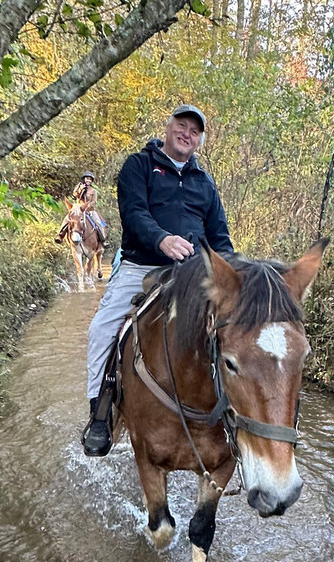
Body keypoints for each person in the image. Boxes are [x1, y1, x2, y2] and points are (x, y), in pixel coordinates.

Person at [81, 104, 234, 457]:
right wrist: (161, 239)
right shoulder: (138, 166)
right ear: (168, 128)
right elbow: (134, 214)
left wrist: (231, 270)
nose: (187, 134)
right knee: (102, 329)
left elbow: (219, 237)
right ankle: (100, 415)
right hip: (142, 266)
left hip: (195, 270)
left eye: (194, 131)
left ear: (200, 140)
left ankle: (232, 415)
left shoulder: (205, 183)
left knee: (235, 328)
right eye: (181, 126)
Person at [68, 171, 107, 243]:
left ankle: (103, 240)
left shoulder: (93, 190)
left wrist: (87, 207)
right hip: (78, 210)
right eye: (87, 178)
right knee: (67, 219)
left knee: (99, 223)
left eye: (90, 179)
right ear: (84, 179)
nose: (88, 180)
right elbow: (74, 196)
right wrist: (80, 189)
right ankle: (60, 235)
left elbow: (94, 201)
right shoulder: (79, 187)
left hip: (89, 210)